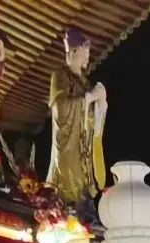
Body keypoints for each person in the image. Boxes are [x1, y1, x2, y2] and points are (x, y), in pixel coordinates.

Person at [46, 28, 106, 213]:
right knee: (67, 180)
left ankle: (84, 207)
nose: (87, 56)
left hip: (83, 144)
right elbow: (60, 107)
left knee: (83, 184)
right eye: (84, 51)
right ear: (72, 52)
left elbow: (91, 115)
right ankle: (65, 206)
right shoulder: (60, 75)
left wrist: (101, 102)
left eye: (88, 52)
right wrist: (89, 98)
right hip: (68, 142)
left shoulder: (85, 82)